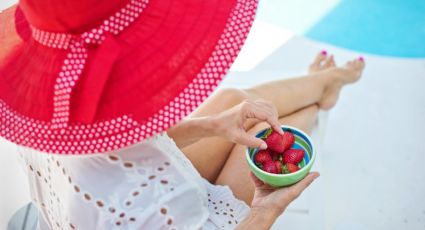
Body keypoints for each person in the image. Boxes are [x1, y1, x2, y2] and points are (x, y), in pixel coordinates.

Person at [0, 0, 364, 229]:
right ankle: (321, 95)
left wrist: (210, 126)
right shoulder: (148, 204)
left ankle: (324, 85)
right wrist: (267, 211)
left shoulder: (45, 110)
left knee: (234, 100)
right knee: (279, 131)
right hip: (171, 216)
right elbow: (140, 196)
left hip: (95, 207)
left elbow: (120, 148)